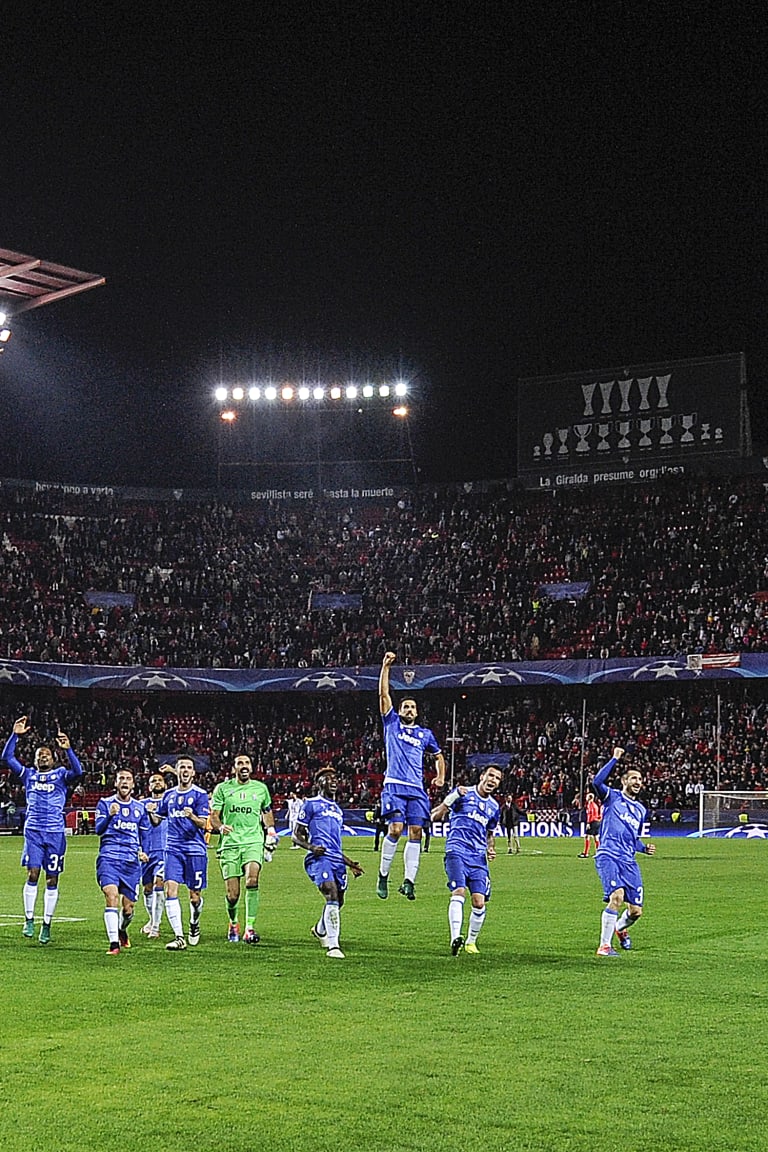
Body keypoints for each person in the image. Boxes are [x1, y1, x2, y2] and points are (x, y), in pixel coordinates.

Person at [2, 715, 84, 944]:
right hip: (34, 832)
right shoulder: (28, 774)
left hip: (56, 834)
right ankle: (29, 919)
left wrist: (69, 750)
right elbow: (6, 757)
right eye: (39, 755)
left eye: (46, 754)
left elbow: (78, 773)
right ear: (35, 759)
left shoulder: (60, 775)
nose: (43, 756)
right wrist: (15, 735)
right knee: (33, 873)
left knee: (52, 879)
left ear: (53, 757)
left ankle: (46, 924)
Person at [376, 651, 445, 900]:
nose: (408, 709)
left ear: (416, 712)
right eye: (405, 706)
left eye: (412, 707)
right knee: (395, 829)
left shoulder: (425, 734)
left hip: (416, 790)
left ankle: (409, 881)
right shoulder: (391, 723)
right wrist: (386, 667)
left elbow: (438, 756)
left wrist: (440, 776)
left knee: (415, 832)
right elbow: (384, 695)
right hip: (394, 786)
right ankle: (383, 876)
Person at [292, 766, 364, 959]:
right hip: (318, 858)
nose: (333, 781)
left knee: (339, 900)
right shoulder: (311, 804)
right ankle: (333, 945)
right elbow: (296, 836)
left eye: (335, 778)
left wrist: (350, 864)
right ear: (319, 783)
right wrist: (311, 847)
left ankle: (320, 929)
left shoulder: (337, 810)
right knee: (330, 892)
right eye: (328, 779)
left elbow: (335, 844)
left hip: (336, 859)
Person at [430, 764, 502, 955]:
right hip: (457, 851)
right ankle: (456, 938)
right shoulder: (463, 794)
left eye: (497, 778)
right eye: (491, 775)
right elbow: (435, 817)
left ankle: (471, 942)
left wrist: (491, 847)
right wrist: (451, 798)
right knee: (459, 891)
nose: (493, 780)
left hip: (478, 858)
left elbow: (489, 833)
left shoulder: (494, 807)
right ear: (482, 776)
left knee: (479, 902)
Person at [592, 746, 656, 957]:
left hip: (629, 861)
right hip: (608, 855)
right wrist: (614, 759)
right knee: (617, 897)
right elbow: (596, 782)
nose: (638, 782)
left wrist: (644, 847)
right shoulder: (612, 797)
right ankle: (604, 946)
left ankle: (619, 929)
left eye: (640, 779)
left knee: (636, 911)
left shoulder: (641, 810)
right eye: (634, 778)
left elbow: (633, 838)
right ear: (624, 781)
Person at [210, 753, 277, 944]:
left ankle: (249, 928)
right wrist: (221, 826)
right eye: (240, 763)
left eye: (247, 762)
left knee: (252, 879)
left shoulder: (261, 788)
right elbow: (214, 815)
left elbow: (266, 811)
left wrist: (270, 830)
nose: (244, 765)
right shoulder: (223, 789)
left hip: (253, 841)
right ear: (234, 768)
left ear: (251, 767)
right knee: (233, 895)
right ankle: (233, 923)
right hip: (230, 844)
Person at [149, 755, 210, 952]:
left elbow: (205, 824)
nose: (185, 770)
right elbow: (157, 821)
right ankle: (179, 937)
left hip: (195, 850)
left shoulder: (200, 795)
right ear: (177, 771)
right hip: (173, 849)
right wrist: (151, 812)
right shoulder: (168, 795)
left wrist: (192, 816)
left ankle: (194, 922)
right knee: (170, 891)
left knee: (194, 897)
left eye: (188, 767)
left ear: (193, 772)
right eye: (181, 767)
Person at [95, 768, 151, 955]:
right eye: (121, 779)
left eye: (128, 779)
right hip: (109, 858)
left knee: (128, 909)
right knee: (112, 897)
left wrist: (143, 851)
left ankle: (122, 930)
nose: (125, 782)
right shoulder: (105, 804)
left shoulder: (139, 808)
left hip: (131, 862)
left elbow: (144, 834)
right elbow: (98, 830)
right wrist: (110, 815)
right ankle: (113, 944)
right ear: (116, 783)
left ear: (133, 784)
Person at [140, 768, 171, 938]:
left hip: (166, 851)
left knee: (159, 884)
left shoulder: (170, 802)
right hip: (147, 852)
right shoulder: (141, 804)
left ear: (165, 784)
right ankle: (152, 920)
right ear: (149, 786)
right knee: (147, 888)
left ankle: (155, 927)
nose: (157, 783)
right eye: (153, 781)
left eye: (159, 780)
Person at [578, 791, 602, 857]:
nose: (586, 797)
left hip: (593, 822)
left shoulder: (590, 805)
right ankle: (599, 852)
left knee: (587, 836)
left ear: (590, 798)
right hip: (597, 821)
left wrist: (588, 823)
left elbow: (590, 815)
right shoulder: (595, 805)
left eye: (587, 796)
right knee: (596, 837)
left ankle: (586, 853)